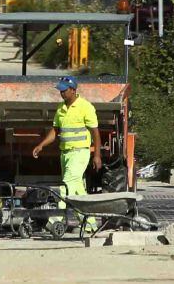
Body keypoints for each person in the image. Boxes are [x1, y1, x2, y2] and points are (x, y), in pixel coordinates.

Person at [32, 76, 101, 232]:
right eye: (60, 90)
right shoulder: (61, 109)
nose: (61, 93)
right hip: (65, 154)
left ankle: (56, 219)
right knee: (77, 189)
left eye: (64, 90)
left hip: (80, 153)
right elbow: (55, 131)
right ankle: (89, 224)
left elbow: (95, 132)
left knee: (67, 184)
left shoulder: (86, 107)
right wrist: (41, 145)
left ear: (73, 90)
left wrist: (97, 155)